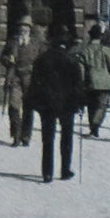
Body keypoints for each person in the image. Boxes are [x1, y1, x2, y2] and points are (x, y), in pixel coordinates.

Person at [26, 38, 84, 182]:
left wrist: (34, 103)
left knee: (47, 139)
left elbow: (34, 83)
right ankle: (65, 170)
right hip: (67, 104)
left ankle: (47, 173)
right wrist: (80, 104)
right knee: (67, 137)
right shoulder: (72, 60)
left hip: (47, 104)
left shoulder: (41, 60)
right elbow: (78, 85)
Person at [71, 23, 110, 138]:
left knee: (91, 105)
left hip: (90, 80)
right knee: (102, 105)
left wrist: (81, 82)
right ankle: (95, 126)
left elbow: (81, 68)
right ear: (100, 37)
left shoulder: (85, 50)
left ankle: (92, 127)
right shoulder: (105, 50)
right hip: (105, 81)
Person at [1, 16, 40, 147]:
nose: (23, 28)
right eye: (21, 26)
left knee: (29, 108)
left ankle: (26, 136)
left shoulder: (36, 43)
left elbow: (41, 60)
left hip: (31, 78)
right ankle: (16, 136)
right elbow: (3, 56)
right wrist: (8, 59)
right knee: (13, 106)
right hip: (15, 76)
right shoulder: (12, 41)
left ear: (30, 28)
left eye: (26, 26)